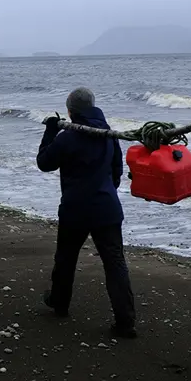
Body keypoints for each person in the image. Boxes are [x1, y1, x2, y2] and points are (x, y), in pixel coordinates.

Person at [37, 87, 137, 339]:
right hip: (106, 207)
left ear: (71, 111)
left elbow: (44, 163)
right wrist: (105, 191)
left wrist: (50, 131)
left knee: (66, 258)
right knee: (115, 264)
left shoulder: (67, 137)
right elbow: (117, 172)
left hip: (75, 207)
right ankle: (125, 321)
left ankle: (60, 303)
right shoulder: (109, 135)